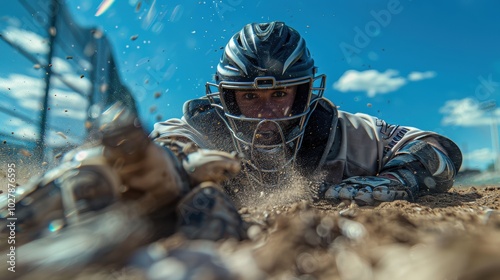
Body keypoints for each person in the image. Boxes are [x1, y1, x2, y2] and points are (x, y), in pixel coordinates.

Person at [151, 21, 462, 208]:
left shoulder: (344, 134)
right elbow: (165, 148)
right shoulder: (202, 130)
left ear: (302, 94)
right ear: (227, 99)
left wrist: (397, 178)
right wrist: (182, 163)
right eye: (248, 96)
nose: (266, 114)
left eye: (279, 94)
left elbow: (435, 150)